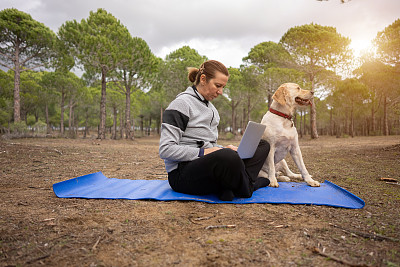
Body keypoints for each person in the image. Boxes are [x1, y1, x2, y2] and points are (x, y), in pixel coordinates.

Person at [159, 60, 270, 201]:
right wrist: (205, 152)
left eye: (223, 87)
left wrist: (222, 148)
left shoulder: (213, 110)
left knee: (262, 145)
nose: (221, 92)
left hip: (208, 167)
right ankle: (248, 186)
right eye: (218, 86)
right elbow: (165, 150)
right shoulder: (181, 104)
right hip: (182, 174)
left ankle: (229, 187)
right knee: (228, 157)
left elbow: (209, 146)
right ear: (203, 79)